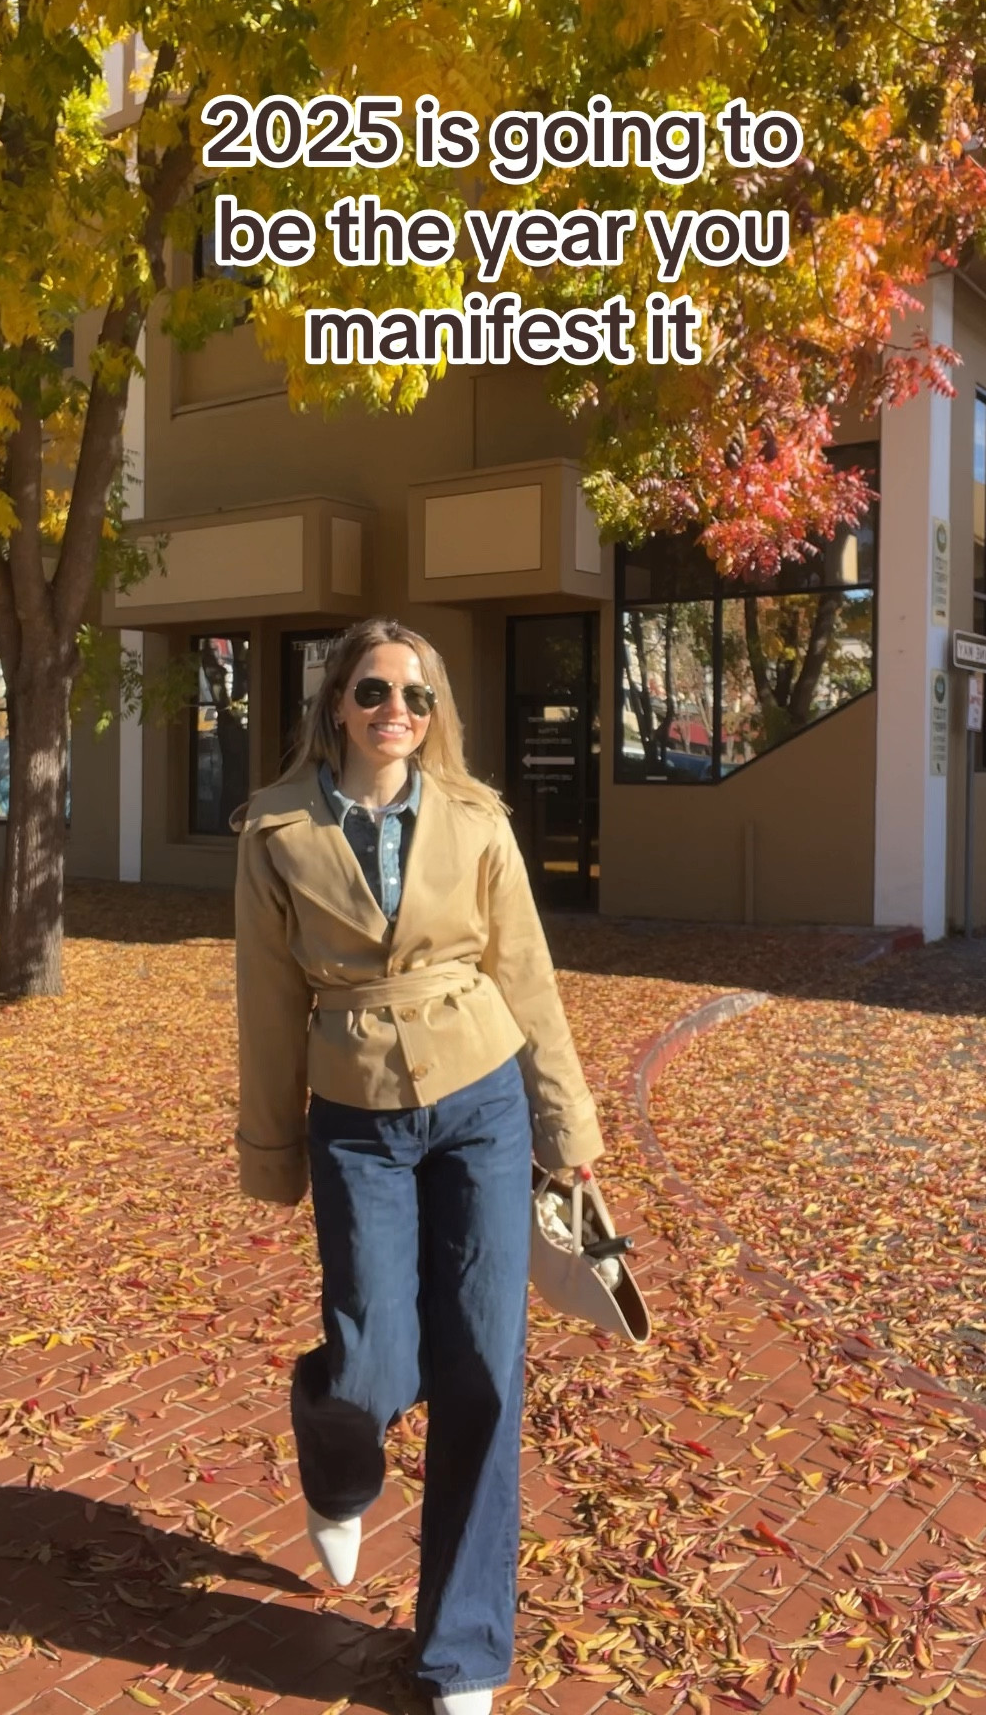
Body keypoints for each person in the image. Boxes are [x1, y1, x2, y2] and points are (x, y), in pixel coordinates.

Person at [233, 616, 605, 1715]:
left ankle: (464, 1651)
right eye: (375, 689)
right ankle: (339, 1467)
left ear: (435, 713)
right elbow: (266, 1004)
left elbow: (526, 976)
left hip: (480, 1096)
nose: (398, 708)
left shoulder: (478, 822)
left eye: (419, 694)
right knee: (369, 1359)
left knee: (483, 1367)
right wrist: (268, 1150)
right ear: (337, 705)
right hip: (354, 1115)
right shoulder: (274, 831)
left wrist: (565, 1128)